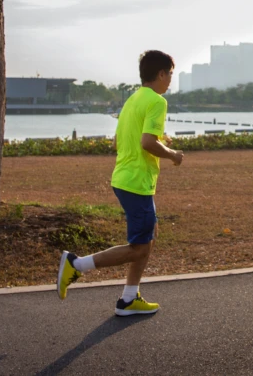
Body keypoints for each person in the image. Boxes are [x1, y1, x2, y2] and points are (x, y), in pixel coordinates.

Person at [56, 50, 184, 315]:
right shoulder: (157, 102)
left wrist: (160, 140)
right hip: (136, 182)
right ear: (161, 74)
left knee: (148, 239)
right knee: (138, 248)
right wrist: (173, 155)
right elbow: (147, 142)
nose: (171, 80)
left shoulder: (132, 100)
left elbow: (119, 141)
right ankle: (76, 265)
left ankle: (128, 298)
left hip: (125, 178)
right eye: (170, 74)